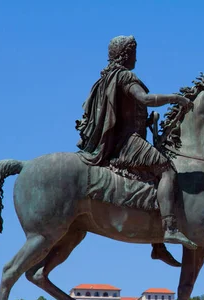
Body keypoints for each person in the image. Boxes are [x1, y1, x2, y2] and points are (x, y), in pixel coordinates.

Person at [75, 35, 196, 253]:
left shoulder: (105, 79)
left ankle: (157, 245)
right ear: (126, 54)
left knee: (151, 179)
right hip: (128, 142)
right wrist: (175, 98)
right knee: (167, 170)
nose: (136, 59)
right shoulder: (124, 76)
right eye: (134, 54)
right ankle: (169, 227)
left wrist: (146, 121)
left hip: (119, 140)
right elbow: (145, 99)